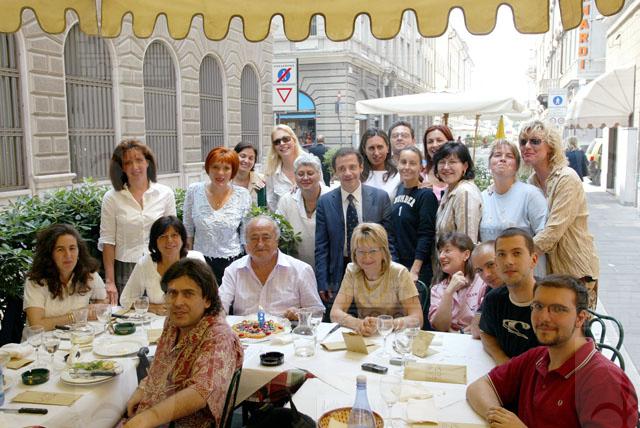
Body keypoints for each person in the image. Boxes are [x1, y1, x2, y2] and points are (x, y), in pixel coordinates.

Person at [467, 275, 638, 428]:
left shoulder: (606, 382)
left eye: (558, 309)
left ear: (580, 318)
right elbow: (479, 387)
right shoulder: (537, 357)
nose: (543, 317)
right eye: (538, 306)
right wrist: (498, 417)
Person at [124, 258, 243, 428]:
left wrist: (148, 418)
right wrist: (142, 389)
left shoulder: (219, 336)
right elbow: (160, 365)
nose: (178, 302)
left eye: (188, 294)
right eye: (172, 293)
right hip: (154, 415)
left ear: (207, 300)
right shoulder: (173, 323)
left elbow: (200, 391)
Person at [519, 120, 599, 309]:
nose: (527, 146)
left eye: (535, 141)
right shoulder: (532, 181)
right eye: (523, 141)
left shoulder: (566, 178)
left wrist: (517, 255)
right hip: (550, 271)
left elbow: (553, 231)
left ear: (551, 146)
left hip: (576, 268)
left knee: (577, 325)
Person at [99, 139, 176, 302]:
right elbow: (108, 242)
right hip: (126, 269)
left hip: (159, 265)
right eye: (128, 163)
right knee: (129, 312)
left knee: (163, 311)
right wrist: (110, 282)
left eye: (139, 160)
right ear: (121, 167)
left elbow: (174, 235)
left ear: (148, 162)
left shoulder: (165, 194)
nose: (135, 167)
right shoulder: (111, 198)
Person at [315, 148, 392, 307]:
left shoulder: (380, 198)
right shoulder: (325, 202)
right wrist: (322, 281)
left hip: (374, 267)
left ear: (361, 167)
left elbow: (389, 240)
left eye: (352, 167)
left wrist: (390, 274)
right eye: (342, 169)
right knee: (340, 315)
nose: (347, 173)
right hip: (339, 271)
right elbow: (321, 246)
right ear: (335, 172)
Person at [219, 216, 324, 320]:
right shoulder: (233, 270)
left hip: (287, 330)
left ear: (277, 241)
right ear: (246, 243)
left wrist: (299, 313)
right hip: (243, 329)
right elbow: (220, 306)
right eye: (254, 238)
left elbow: (317, 312)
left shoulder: (301, 270)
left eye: (266, 238)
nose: (260, 244)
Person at [330, 223, 422, 336]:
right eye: (361, 251)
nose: (367, 257)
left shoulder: (399, 273)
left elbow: (417, 319)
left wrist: (384, 324)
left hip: (394, 337)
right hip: (365, 336)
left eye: (373, 251)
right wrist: (359, 324)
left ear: (383, 252)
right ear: (354, 253)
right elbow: (335, 313)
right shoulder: (352, 271)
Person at [183, 147, 251, 284]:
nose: (220, 173)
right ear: (208, 168)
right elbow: (188, 228)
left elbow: (245, 234)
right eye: (215, 167)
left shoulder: (243, 195)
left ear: (233, 171)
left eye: (226, 168)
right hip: (200, 263)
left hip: (232, 262)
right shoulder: (194, 191)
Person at [480, 139, 548, 276]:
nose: (502, 159)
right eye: (497, 155)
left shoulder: (530, 194)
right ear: (489, 163)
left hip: (527, 277)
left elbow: (545, 236)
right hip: (494, 278)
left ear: (517, 165)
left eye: (509, 156)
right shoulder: (483, 197)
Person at [24, 224, 107, 331]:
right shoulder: (36, 281)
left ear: (79, 251)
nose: (68, 255)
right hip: (42, 340)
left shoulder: (89, 275)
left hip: (77, 336)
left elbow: (103, 301)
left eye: (72, 248)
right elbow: (37, 325)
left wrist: (97, 308)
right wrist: (77, 315)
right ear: (49, 254)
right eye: (60, 249)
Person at [120, 216, 205, 314]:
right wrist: (151, 307)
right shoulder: (145, 263)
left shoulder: (196, 260)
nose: (169, 240)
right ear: (155, 241)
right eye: (163, 236)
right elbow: (126, 299)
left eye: (174, 235)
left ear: (183, 239)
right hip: (157, 321)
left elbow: (211, 297)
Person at [479, 228, 540, 364]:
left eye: (517, 253)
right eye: (501, 254)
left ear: (533, 259)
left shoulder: (552, 300)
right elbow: (486, 333)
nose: (508, 262)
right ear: (496, 263)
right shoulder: (493, 299)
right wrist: (503, 361)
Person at [391, 147, 438, 285]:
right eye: (403, 162)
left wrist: (415, 270)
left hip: (417, 268)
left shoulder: (426, 195)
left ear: (421, 167)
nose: (407, 167)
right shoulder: (399, 189)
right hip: (398, 265)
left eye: (412, 163)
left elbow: (426, 234)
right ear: (398, 164)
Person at [276, 154, 330, 270]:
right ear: (295, 176)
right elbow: (278, 230)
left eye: (310, 173)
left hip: (328, 266)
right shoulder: (286, 200)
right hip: (295, 268)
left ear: (319, 174)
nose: (305, 178)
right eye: (300, 174)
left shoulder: (331, 197)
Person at [429, 232, 486, 332]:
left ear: (466, 255)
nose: (441, 256)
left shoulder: (482, 282)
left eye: (447, 251)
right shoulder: (437, 289)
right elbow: (440, 327)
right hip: (447, 339)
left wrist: (460, 333)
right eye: (440, 252)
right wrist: (449, 292)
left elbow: (484, 320)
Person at [433, 141, 482, 243]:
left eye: (452, 162)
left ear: (465, 166)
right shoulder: (450, 190)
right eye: (442, 162)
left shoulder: (464, 192)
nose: (446, 167)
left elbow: (467, 241)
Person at [469, 241, 503, 339]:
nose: (486, 275)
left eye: (491, 264)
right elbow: (476, 330)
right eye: (479, 270)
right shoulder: (492, 289)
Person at [265, 124, 304, 211]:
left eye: (286, 139)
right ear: (274, 147)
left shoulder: (309, 162)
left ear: (294, 140)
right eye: (277, 142)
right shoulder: (271, 172)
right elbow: (271, 203)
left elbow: (322, 193)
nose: (282, 143)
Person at [358, 128, 401, 200]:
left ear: (387, 148)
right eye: (371, 148)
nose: (376, 153)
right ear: (364, 150)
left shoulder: (398, 175)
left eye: (380, 147)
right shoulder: (357, 175)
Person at [422, 124, 453, 200]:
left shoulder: (458, 174)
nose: (434, 145)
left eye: (439, 140)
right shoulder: (420, 175)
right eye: (430, 141)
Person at [233, 141, 266, 206]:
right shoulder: (225, 181)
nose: (246, 161)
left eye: (251, 158)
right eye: (243, 156)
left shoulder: (261, 179)